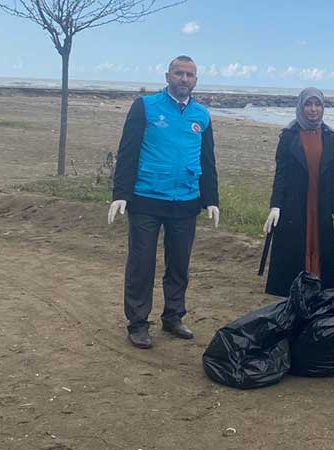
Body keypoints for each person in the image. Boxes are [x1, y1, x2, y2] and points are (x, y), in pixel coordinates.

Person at [108, 55, 219, 349]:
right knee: (141, 264)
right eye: (179, 73)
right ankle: (138, 323)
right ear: (167, 76)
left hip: (185, 200)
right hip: (146, 198)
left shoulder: (201, 115)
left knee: (179, 264)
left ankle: (173, 316)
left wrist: (210, 198)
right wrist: (121, 194)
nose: (184, 79)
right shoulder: (145, 106)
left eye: (190, 75)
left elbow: (207, 159)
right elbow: (128, 151)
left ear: (196, 80)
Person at [262, 87, 334, 297]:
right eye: (308, 104)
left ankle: (318, 283)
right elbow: (281, 174)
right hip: (295, 201)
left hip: (320, 202)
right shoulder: (289, 135)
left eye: (317, 104)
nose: (313, 109)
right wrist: (276, 205)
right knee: (295, 245)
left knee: (320, 241)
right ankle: (296, 287)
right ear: (301, 106)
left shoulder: (329, 136)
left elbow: (332, 175)